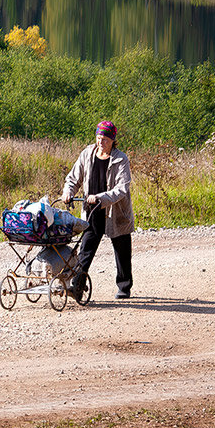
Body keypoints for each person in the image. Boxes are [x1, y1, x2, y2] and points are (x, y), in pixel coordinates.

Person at [62, 120, 133, 299]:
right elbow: (73, 177)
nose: (101, 142)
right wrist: (68, 192)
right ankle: (77, 287)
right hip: (92, 210)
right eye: (99, 138)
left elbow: (122, 188)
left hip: (115, 211)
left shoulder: (120, 159)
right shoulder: (87, 153)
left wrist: (101, 197)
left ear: (113, 140)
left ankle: (124, 287)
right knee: (85, 249)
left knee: (122, 250)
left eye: (105, 139)